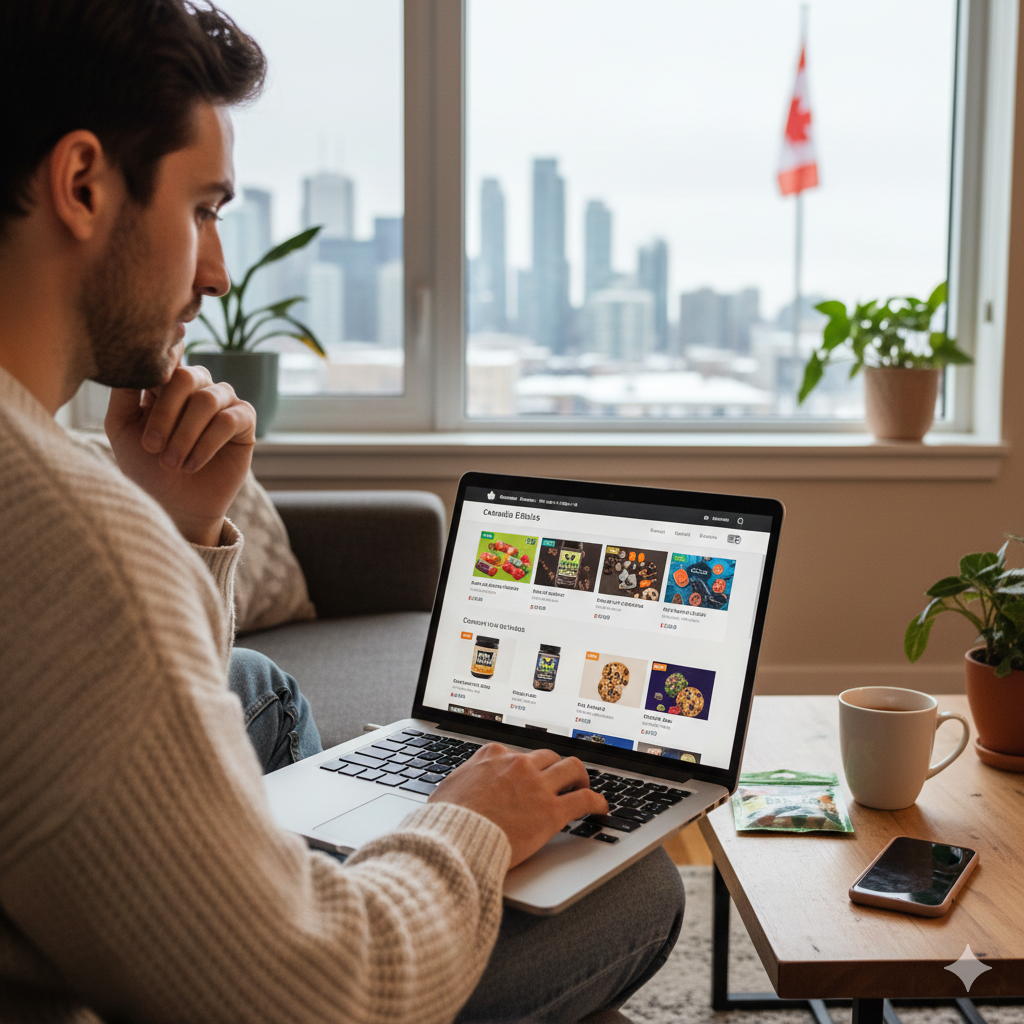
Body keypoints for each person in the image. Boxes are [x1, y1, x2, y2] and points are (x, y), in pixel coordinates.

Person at [0, 3, 684, 1022]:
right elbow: (328, 996)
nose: (218, 271)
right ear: (84, 183)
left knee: (256, 687)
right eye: (202, 209)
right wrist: (466, 826)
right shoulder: (73, 535)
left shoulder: (60, 488)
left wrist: (180, 527)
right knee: (631, 883)